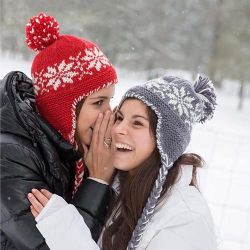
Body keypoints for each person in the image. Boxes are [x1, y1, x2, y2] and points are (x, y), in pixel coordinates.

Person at [28, 74, 218, 250]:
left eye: (137, 123)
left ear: (165, 141)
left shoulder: (186, 219)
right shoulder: (125, 189)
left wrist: (65, 231)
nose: (118, 129)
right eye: (119, 118)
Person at [0, 12, 118, 249]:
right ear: (63, 111)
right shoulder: (11, 157)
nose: (110, 114)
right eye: (98, 103)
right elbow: (60, 244)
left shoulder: (72, 148)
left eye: (110, 101)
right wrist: (97, 180)